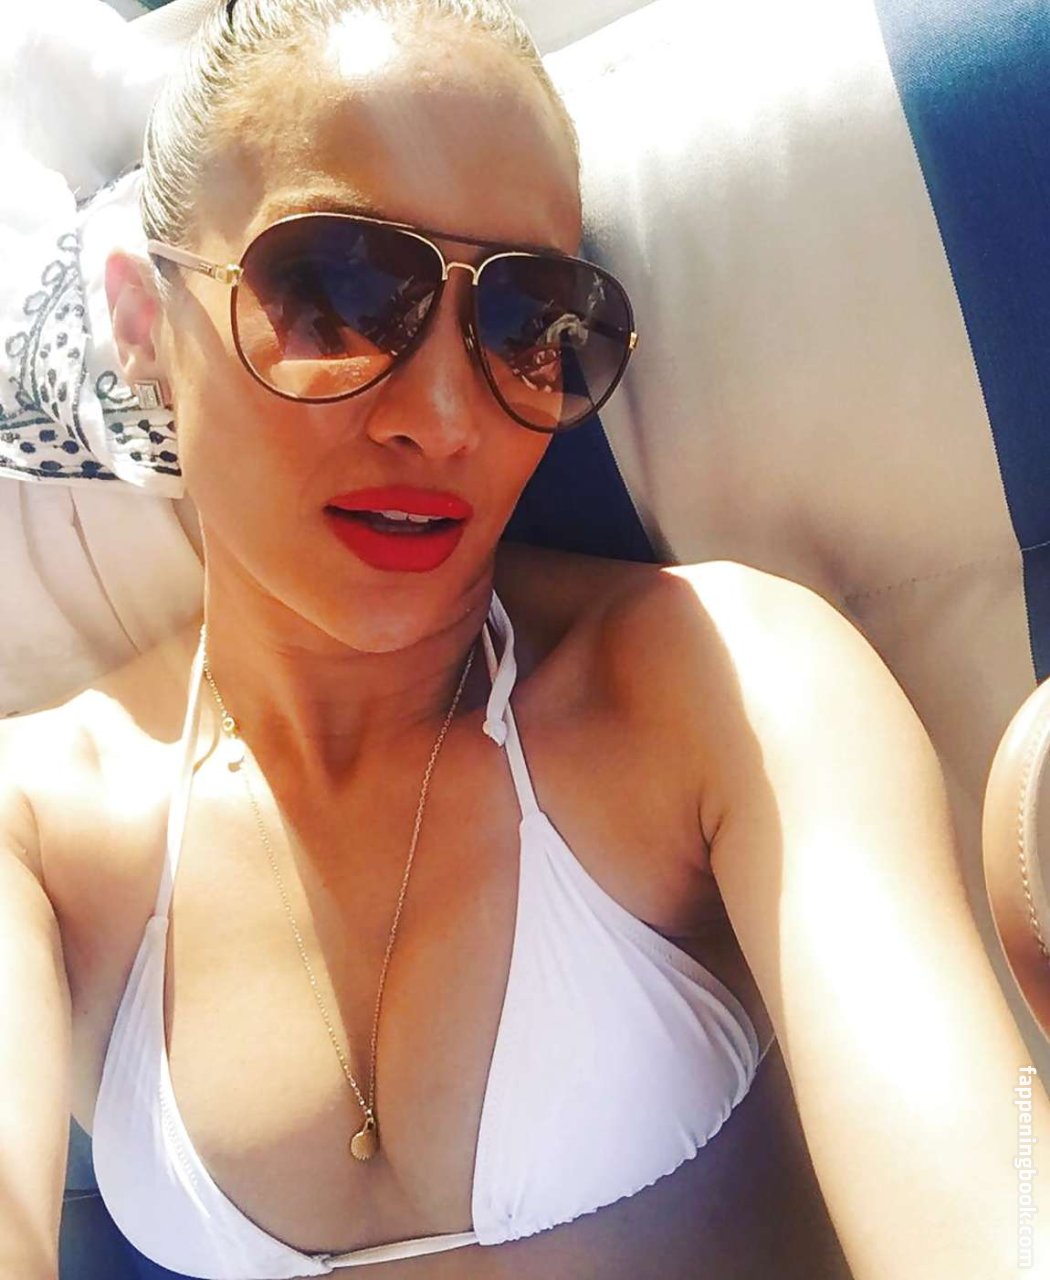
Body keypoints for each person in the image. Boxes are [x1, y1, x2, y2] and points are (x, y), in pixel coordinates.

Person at [0, 2, 1042, 1278]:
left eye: (529, 324)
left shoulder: (729, 688)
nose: (446, 416)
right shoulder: (38, 832)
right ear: (143, 323)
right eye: (334, 294)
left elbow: (983, 1197)